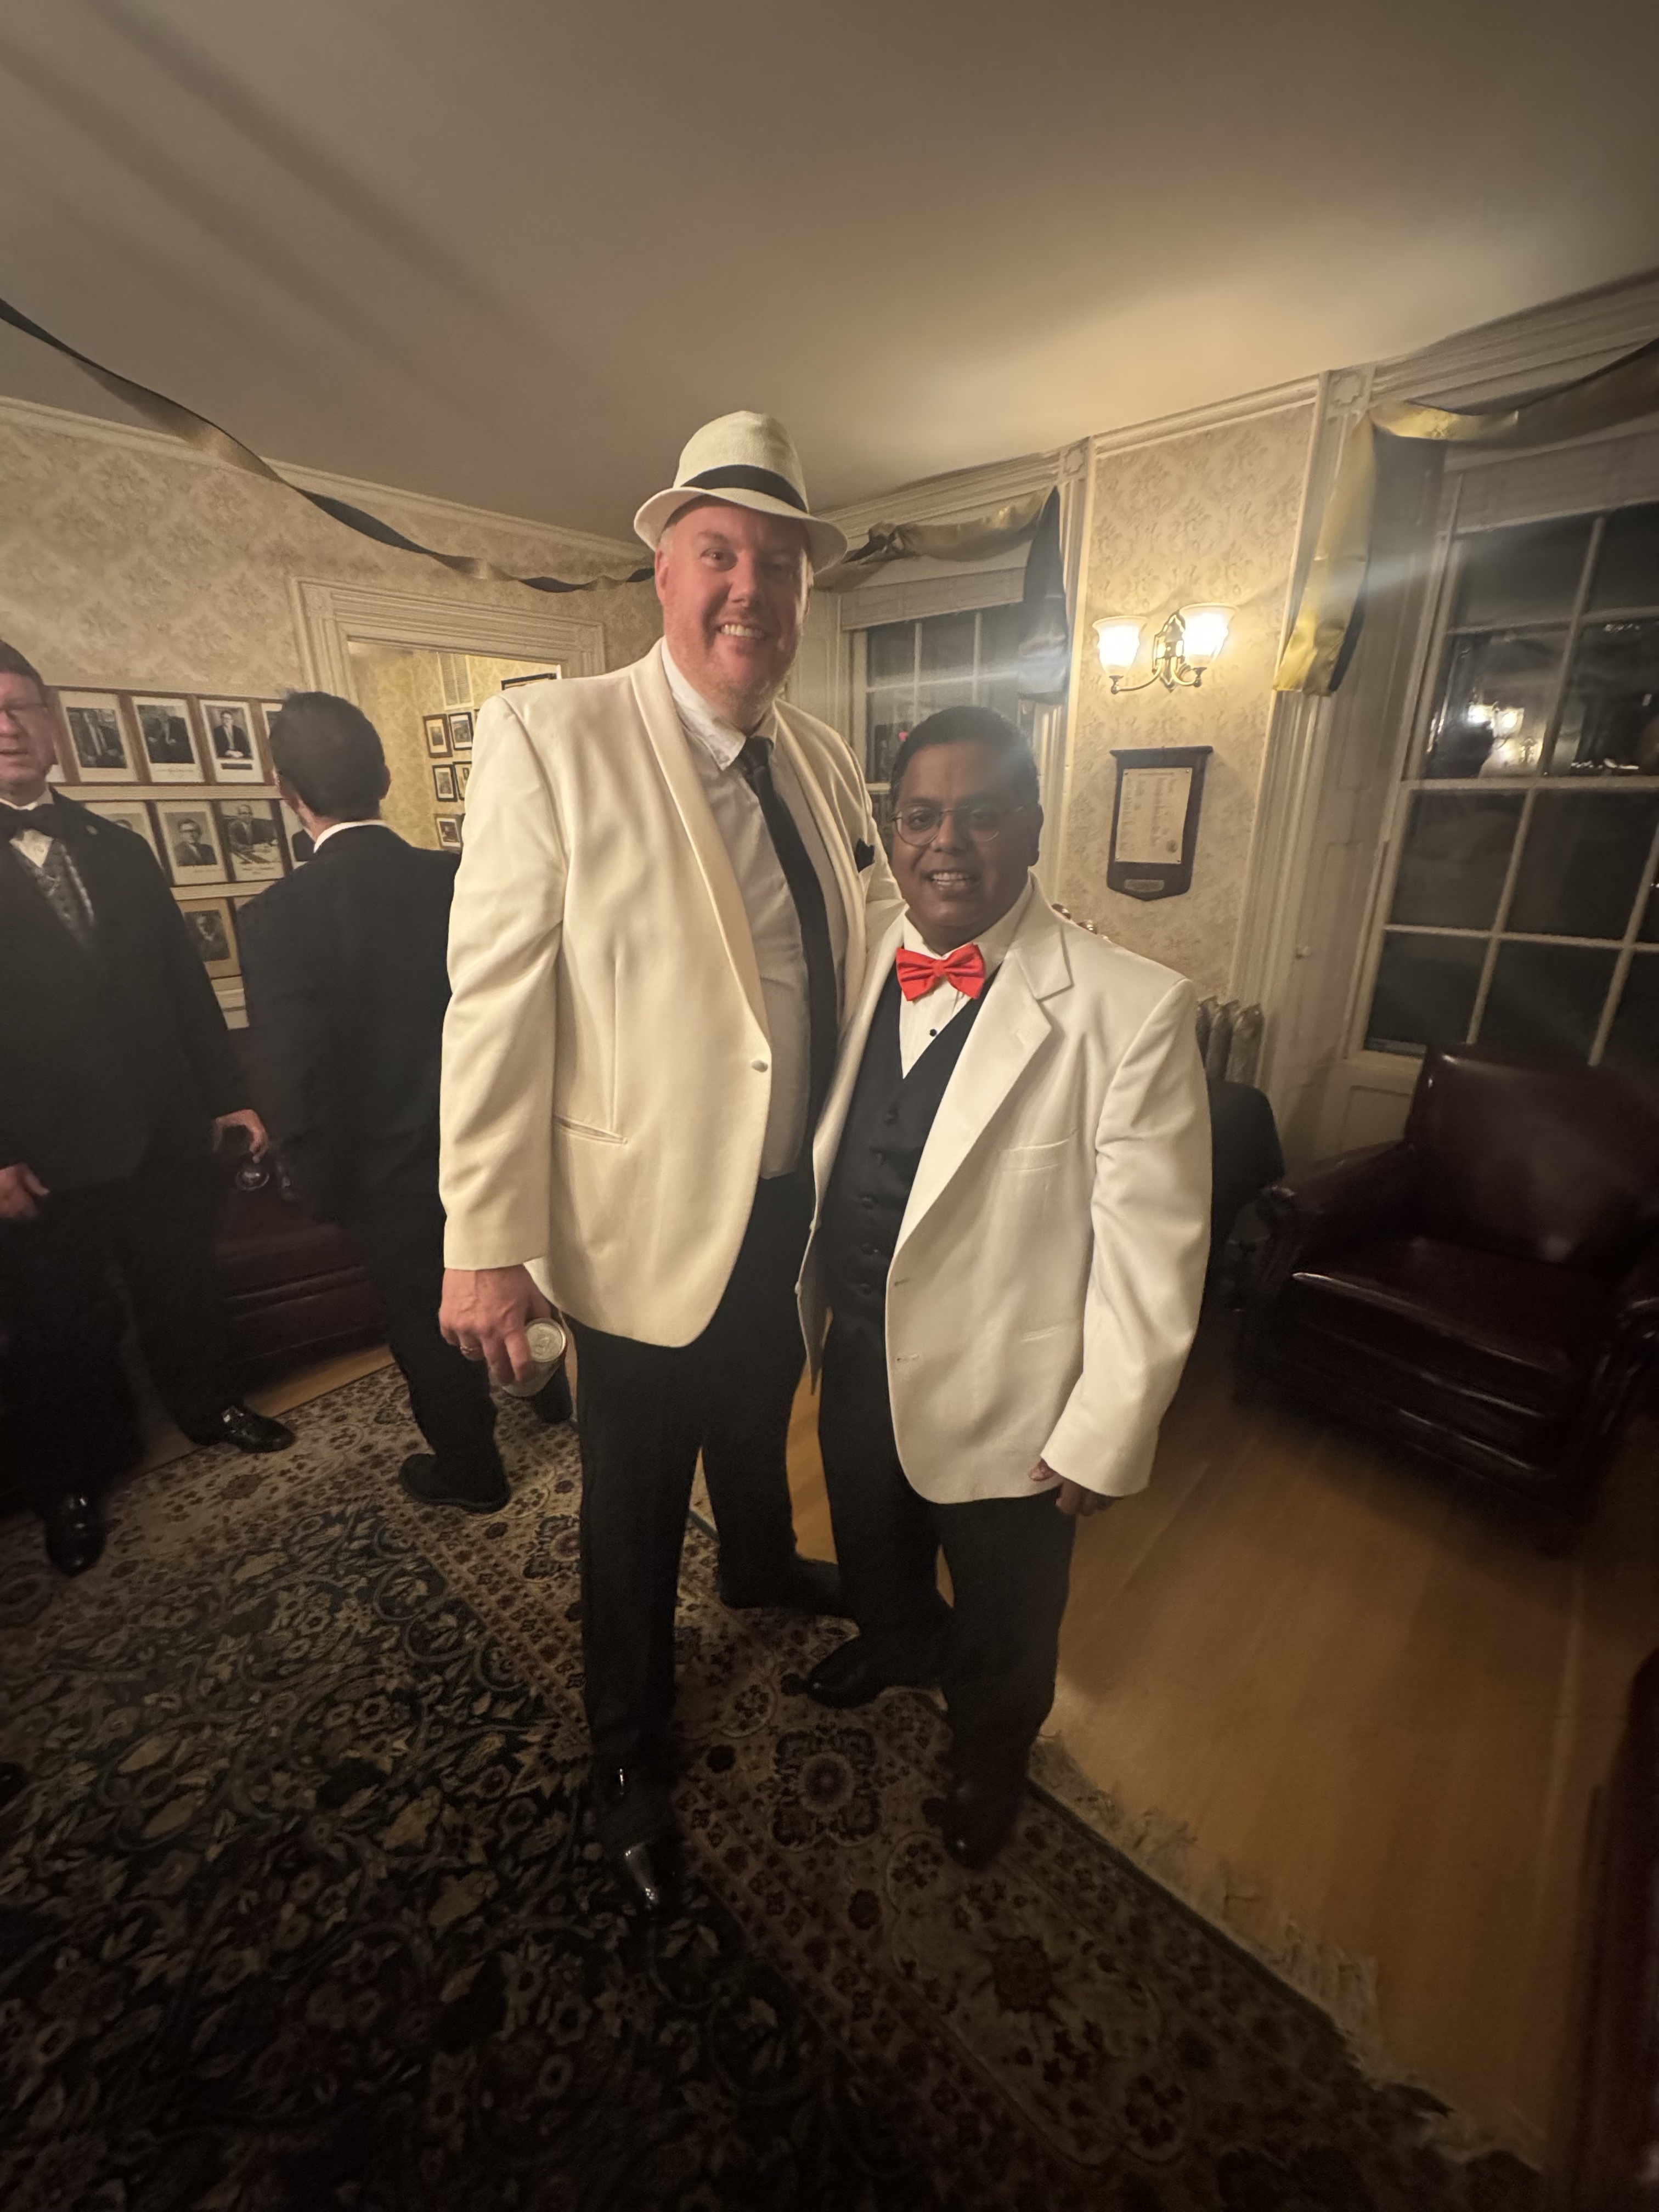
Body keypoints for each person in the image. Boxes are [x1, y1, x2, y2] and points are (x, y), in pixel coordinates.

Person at [438, 411, 902, 1915]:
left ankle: (760, 1564)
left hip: (787, 1201)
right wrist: (483, 1235)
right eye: (720, 554)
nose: (750, 588)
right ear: (664, 571)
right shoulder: (551, 736)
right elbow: (496, 1002)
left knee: (762, 1411)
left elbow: (864, 948)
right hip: (633, 1216)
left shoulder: (821, 758)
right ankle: (625, 1755)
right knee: (632, 1510)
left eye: (779, 563)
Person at [799, 706, 1211, 1870]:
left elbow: (1155, 1249)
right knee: (872, 1543)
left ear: (1031, 826)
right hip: (857, 1348)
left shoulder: (1131, 1006)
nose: (946, 843)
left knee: (1006, 1615)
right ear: (892, 830)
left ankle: (990, 1757)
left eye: (980, 815)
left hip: (1013, 1393)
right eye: (920, 817)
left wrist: (1107, 1428)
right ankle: (893, 1644)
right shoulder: (859, 955)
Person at [0, 641, 294, 1577]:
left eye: (21, 707)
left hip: (163, 1128)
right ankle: (74, 1480)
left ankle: (209, 1408)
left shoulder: (119, 847)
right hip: (38, 1152)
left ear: (51, 724)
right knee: (59, 1323)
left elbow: (184, 985)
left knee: (182, 1285)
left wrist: (231, 1097)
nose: (8, 728)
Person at [238, 692, 569, 1517]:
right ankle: (550, 1398)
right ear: (386, 779)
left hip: (381, 1170)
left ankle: (474, 1474)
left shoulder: (277, 917)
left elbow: (292, 1071)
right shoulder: (462, 877)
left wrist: (320, 1187)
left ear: (288, 793)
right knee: (522, 1270)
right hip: (494, 1137)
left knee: (425, 1324)